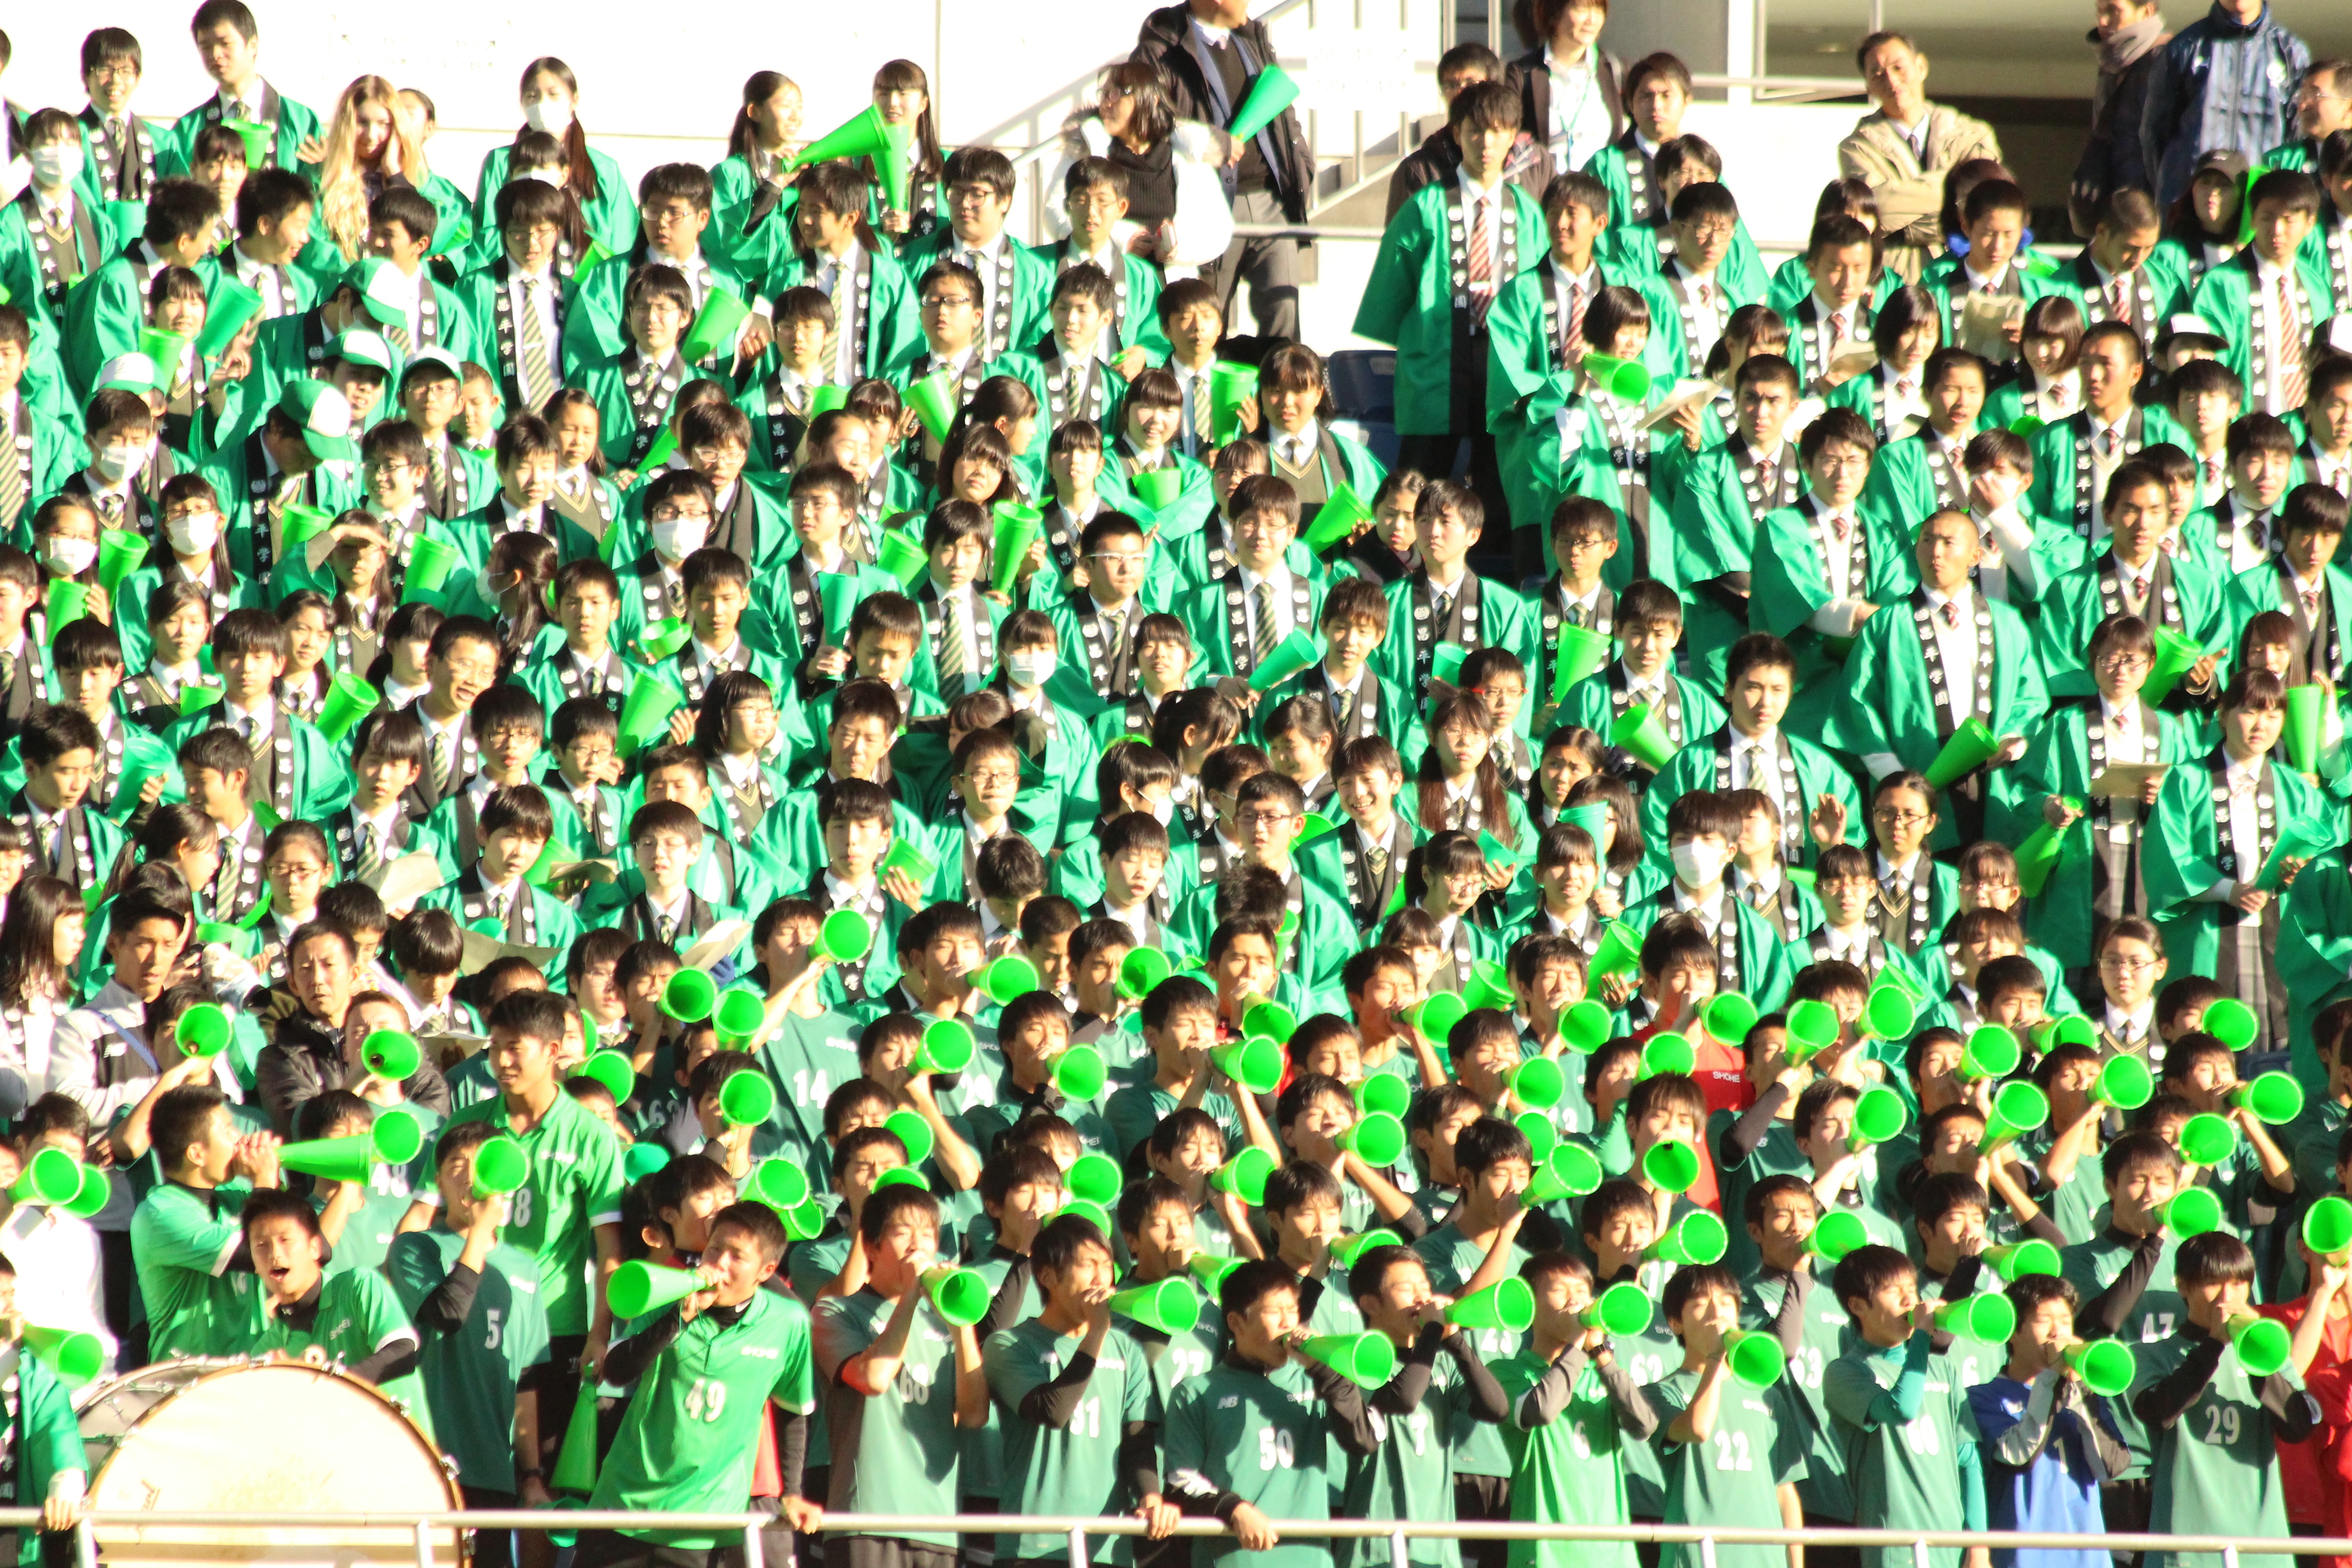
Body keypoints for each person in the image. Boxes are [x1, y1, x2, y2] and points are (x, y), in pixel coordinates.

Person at [586, 1200, 821, 1568]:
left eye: (737, 1256)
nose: (719, 1264)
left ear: (766, 1270)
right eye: (714, 1249)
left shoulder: (788, 1322)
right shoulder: (670, 1294)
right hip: (623, 1507)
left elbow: (794, 1411)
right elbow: (616, 1372)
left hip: (705, 1526)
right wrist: (679, 1318)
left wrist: (791, 1492)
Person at [1130, 0, 1317, 343]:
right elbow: (1146, 122)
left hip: (1271, 201)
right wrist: (1210, 141)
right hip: (1208, 203)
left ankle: (1280, 380)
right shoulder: (1161, 48)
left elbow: (1283, 112)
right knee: (1206, 321)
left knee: (1284, 315)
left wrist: (1302, 164)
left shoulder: (1252, 38)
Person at [1836, 32, 2004, 283]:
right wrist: (1954, 206)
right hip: (1895, 281)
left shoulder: (1973, 135)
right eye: (1878, 74)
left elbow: (1988, 202)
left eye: (1898, 67)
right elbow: (1875, 212)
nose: (1891, 80)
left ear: (1921, 67)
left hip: (1966, 278)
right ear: (1868, 86)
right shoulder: (1856, 147)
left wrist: (1902, 231)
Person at [2142, 0, 2314, 206]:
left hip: (2258, 206)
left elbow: (2298, 136)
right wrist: (2173, 191)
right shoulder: (2185, 47)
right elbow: (2155, 132)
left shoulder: (2290, 52)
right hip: (2194, 204)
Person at [2071, 0, 2174, 234]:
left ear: (2147, 11)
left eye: (2114, 11)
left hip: (2152, 219)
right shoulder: (2113, 64)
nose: (2103, 21)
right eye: (2100, 11)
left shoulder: (2168, 62)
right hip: (2118, 212)